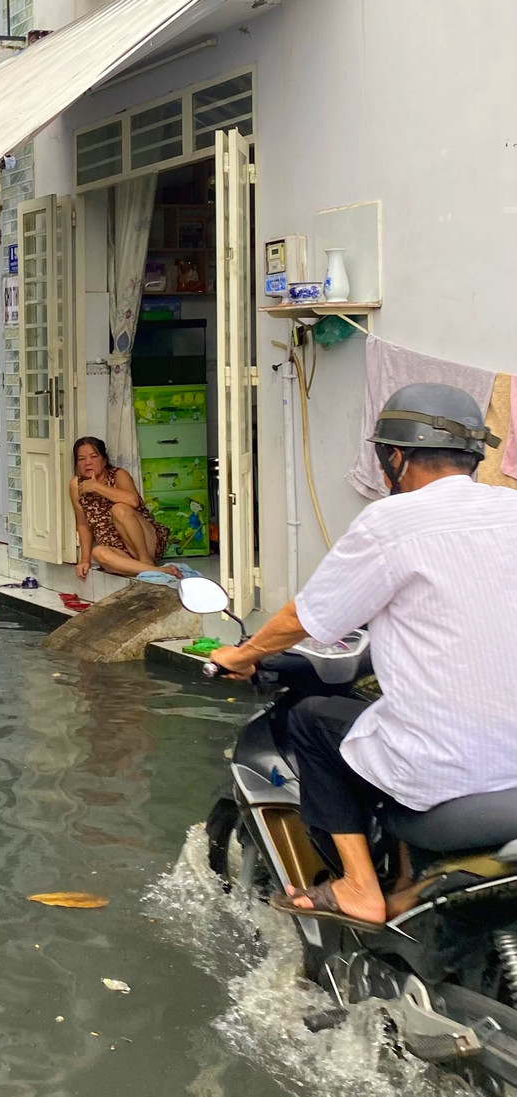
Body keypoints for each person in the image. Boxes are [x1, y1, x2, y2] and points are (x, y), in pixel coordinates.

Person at [209, 384, 517, 926]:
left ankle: (358, 887)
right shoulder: (509, 509)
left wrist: (243, 653)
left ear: (395, 457)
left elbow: (306, 619)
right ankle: (406, 877)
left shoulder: (391, 522)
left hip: (453, 770)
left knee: (313, 720)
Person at [69, 437, 178, 580]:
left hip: (146, 541)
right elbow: (83, 524)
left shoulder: (118, 474)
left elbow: (133, 501)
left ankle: (145, 561)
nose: (87, 463)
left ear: (104, 460)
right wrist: (84, 560)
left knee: (119, 509)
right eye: (81, 459)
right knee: (98, 553)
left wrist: (96, 486)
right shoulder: (76, 485)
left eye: (93, 457)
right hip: (118, 550)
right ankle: (157, 570)